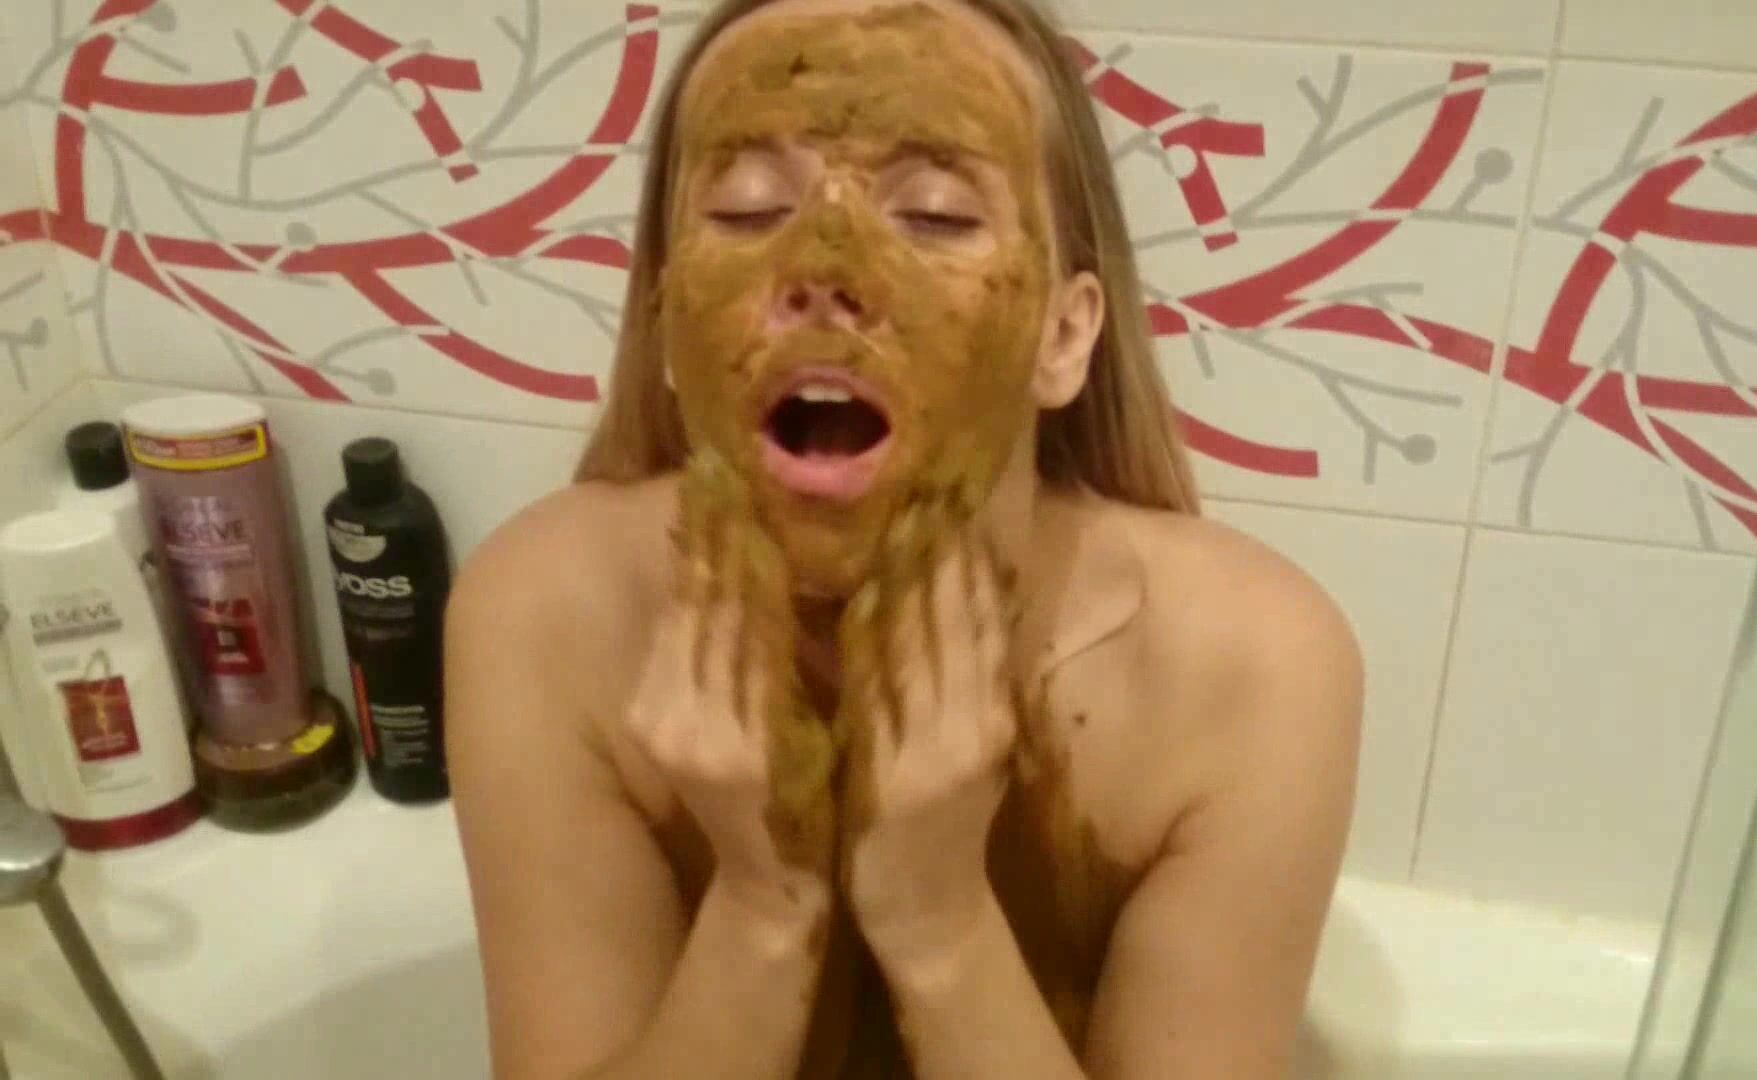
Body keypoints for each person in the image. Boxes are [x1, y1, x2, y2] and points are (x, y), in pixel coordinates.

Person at [444, 0, 1363, 1076]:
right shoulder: (546, 619)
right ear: (668, 320)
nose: (825, 267)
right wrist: (761, 906)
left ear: (1063, 336)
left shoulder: (1248, 674)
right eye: (749, 209)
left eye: (934, 216)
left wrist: (940, 922)